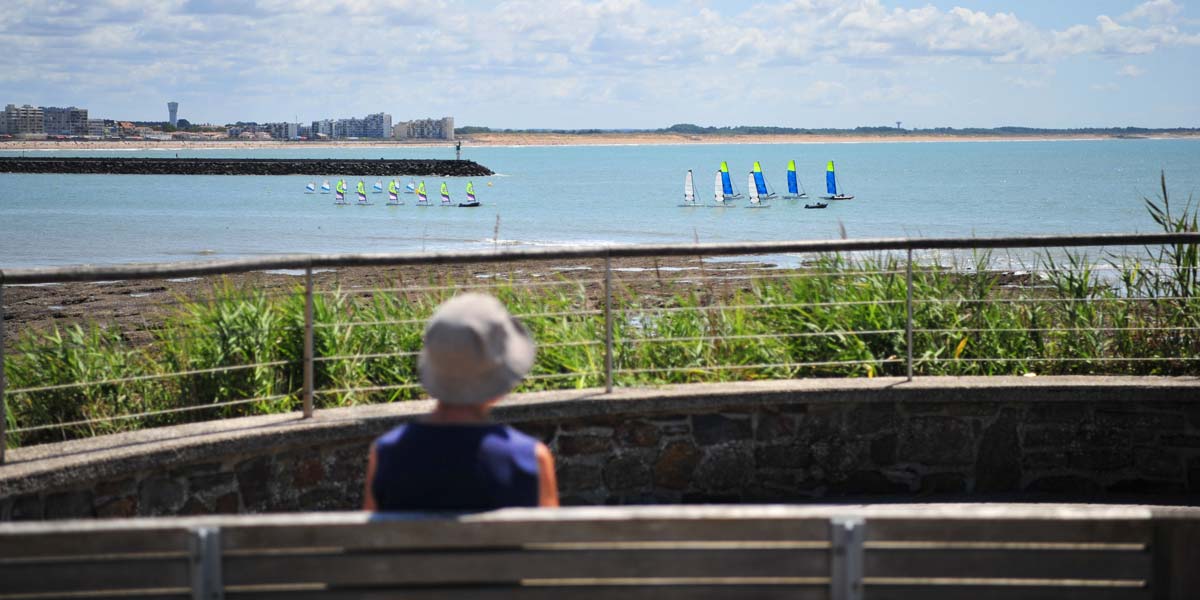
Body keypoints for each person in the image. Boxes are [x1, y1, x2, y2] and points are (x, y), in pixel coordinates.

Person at [363, 293, 559, 510]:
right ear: (500, 385)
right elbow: (546, 540)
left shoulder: (387, 454)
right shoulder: (529, 459)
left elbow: (373, 540)